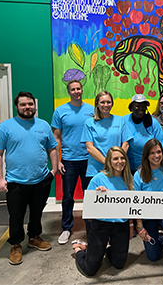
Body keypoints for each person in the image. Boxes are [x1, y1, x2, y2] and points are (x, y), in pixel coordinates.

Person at [0, 91, 58, 265]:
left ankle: (34, 237)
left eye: (30, 104)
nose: (27, 107)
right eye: (23, 104)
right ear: (17, 106)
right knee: (16, 215)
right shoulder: (5, 127)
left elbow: (52, 148)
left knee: (37, 213)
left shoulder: (43, 125)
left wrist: (55, 169)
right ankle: (16, 244)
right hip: (15, 181)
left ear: (34, 105)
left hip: (41, 180)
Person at [73, 146, 134, 277]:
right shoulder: (98, 179)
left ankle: (107, 248)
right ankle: (78, 249)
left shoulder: (128, 179)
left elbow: (132, 206)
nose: (120, 161)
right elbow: (87, 205)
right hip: (101, 224)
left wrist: (131, 225)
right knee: (90, 270)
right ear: (109, 161)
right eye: (115, 158)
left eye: (122, 158)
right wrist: (97, 195)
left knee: (119, 264)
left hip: (120, 225)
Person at [51, 80, 94, 245]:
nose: (76, 91)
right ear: (69, 92)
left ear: (82, 90)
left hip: (89, 159)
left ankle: (91, 226)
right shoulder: (60, 111)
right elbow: (56, 137)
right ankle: (67, 228)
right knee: (67, 196)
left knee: (90, 195)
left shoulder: (91, 110)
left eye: (78, 88)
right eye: (73, 89)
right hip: (68, 160)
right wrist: (58, 160)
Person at [133, 139, 163, 285]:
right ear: (146, 155)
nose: (156, 155)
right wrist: (139, 227)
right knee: (153, 256)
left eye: (159, 152)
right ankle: (160, 240)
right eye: (152, 153)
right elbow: (136, 202)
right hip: (149, 217)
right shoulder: (139, 174)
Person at [81, 91, 131, 178]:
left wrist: (117, 162)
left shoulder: (120, 120)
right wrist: (108, 163)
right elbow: (90, 148)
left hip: (117, 169)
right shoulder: (89, 123)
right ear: (97, 104)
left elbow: (125, 144)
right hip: (95, 170)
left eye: (108, 102)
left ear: (112, 104)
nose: (106, 105)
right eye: (102, 102)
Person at [123, 94, 163, 173]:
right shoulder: (123, 121)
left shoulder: (153, 123)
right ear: (131, 107)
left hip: (149, 168)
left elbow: (161, 146)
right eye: (137, 105)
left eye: (144, 106)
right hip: (127, 168)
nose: (141, 108)